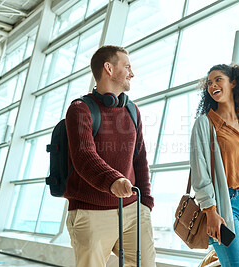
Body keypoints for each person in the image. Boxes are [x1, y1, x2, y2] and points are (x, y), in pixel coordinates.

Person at [64, 45, 156, 267]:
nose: (131, 73)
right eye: (127, 66)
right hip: (91, 212)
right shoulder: (80, 109)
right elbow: (84, 155)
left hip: (133, 210)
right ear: (109, 68)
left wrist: (145, 202)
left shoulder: (132, 110)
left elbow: (140, 157)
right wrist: (113, 180)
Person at [190, 64, 239, 266]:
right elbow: (200, 172)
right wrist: (210, 211)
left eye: (218, 79)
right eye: (209, 83)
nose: (212, 85)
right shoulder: (205, 124)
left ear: (233, 83)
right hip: (223, 207)